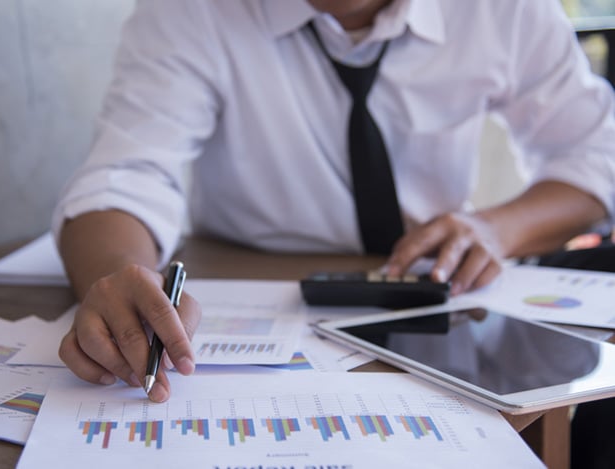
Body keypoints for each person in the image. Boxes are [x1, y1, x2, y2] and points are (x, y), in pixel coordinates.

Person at [52, 0, 615, 405]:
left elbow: (599, 155)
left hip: (437, 300)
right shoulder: (187, 12)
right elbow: (126, 174)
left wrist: (499, 228)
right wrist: (116, 278)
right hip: (250, 283)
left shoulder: (505, 10)